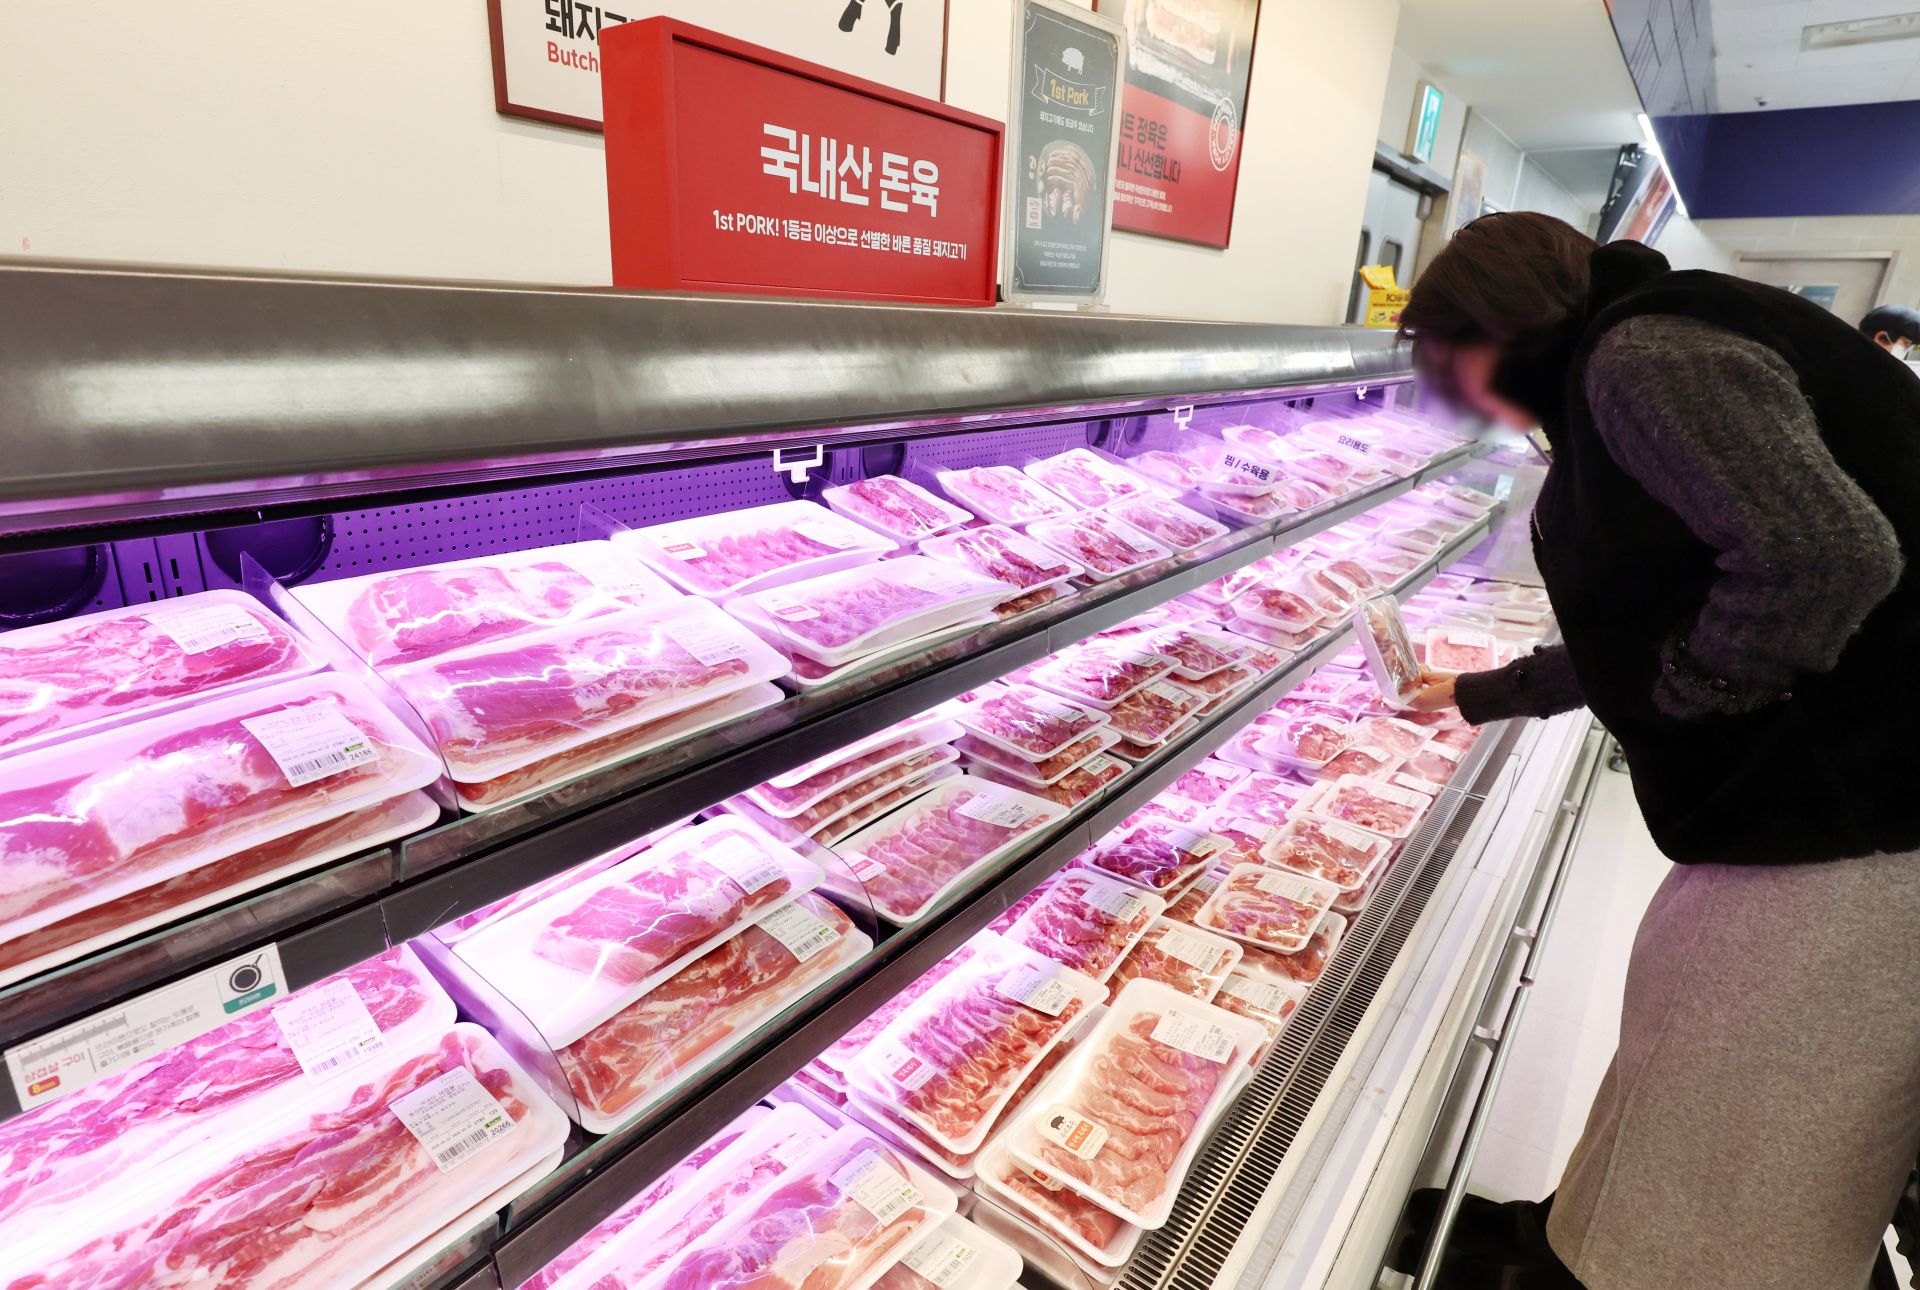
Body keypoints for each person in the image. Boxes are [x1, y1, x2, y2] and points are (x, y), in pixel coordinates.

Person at [1390, 212, 1920, 1290]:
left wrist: (1694, 694)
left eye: (1455, 369)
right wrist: (1490, 693)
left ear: (1499, 335)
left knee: (1751, 1151)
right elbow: (1648, 606)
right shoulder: (1637, 349)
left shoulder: (1642, 357)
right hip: (1837, 817)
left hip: (1863, 828)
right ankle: (1565, 1240)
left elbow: (1825, 556)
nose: (1462, 402)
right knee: (1707, 1094)